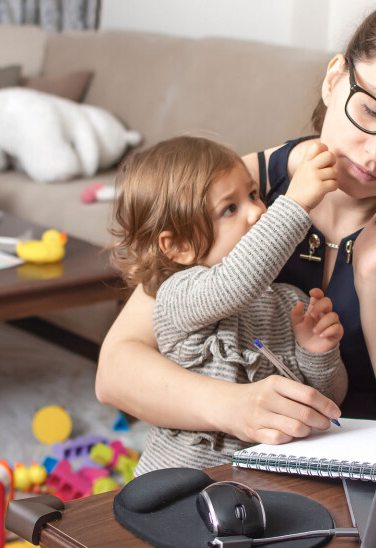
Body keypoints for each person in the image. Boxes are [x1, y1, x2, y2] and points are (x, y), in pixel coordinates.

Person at [97, 1, 376, 444]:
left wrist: (375, 281)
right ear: (334, 80)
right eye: (371, 110)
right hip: (245, 464)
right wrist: (233, 407)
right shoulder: (243, 188)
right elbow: (116, 370)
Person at [109, 136, 348, 473]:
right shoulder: (176, 295)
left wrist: (318, 352)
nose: (257, 212)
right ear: (178, 246)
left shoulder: (289, 301)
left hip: (261, 482)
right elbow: (234, 283)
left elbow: (327, 401)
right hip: (177, 486)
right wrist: (295, 203)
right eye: (229, 209)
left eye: (253, 194)